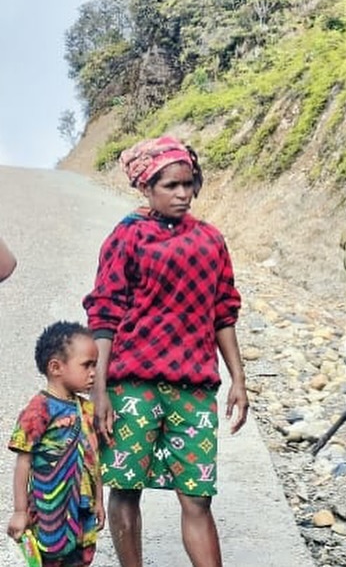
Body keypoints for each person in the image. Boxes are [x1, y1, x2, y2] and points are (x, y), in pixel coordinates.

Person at [82, 135, 248, 567]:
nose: (183, 194)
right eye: (171, 185)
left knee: (197, 497)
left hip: (193, 389)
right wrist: (100, 391)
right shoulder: (125, 237)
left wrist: (238, 379)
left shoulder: (211, 241)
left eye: (188, 184)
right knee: (125, 489)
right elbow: (104, 316)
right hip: (132, 387)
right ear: (146, 187)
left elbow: (223, 311)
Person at [7, 321, 105, 567]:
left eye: (95, 365)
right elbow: (24, 463)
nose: (94, 372)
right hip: (50, 508)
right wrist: (20, 511)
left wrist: (99, 501)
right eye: (87, 365)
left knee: (80, 558)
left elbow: (93, 458)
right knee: (51, 558)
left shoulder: (85, 409)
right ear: (55, 367)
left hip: (82, 507)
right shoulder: (39, 409)